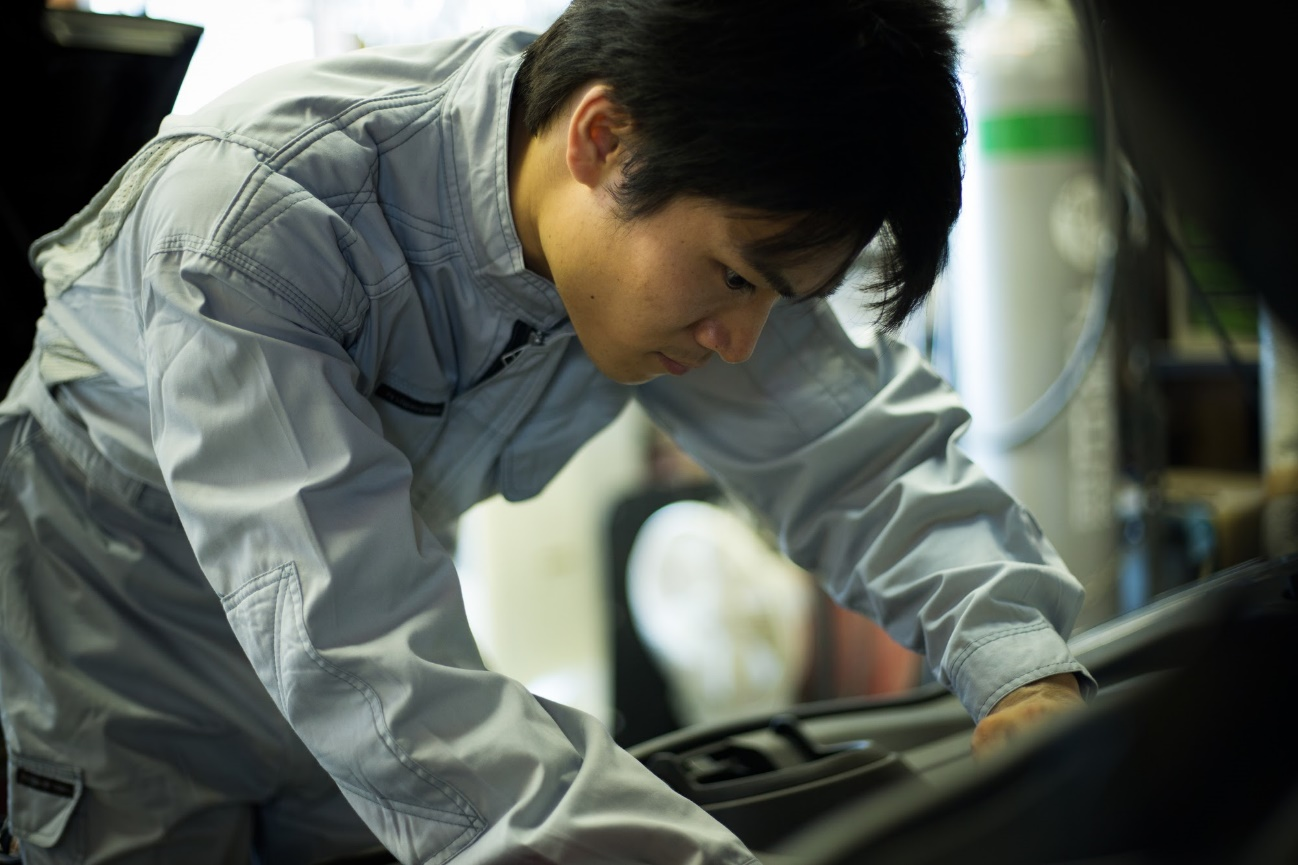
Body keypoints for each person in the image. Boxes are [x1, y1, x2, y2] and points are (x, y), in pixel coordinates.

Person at [0, 0, 1093, 862]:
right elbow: (359, 658)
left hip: (347, 691)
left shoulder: (684, 208)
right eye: (735, 279)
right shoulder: (253, 229)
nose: (740, 342)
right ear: (602, 139)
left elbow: (855, 457)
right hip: (125, 686)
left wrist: (1021, 670)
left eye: (780, 297)